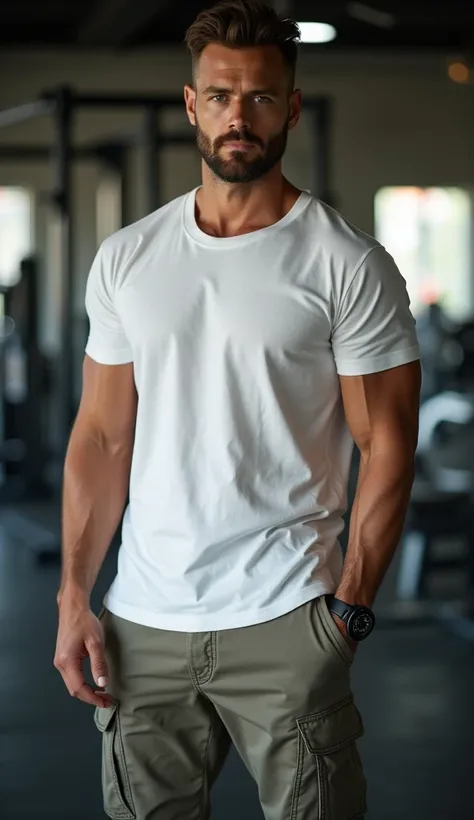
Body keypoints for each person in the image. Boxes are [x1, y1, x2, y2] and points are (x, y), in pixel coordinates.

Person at [54, 1, 421, 818]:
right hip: (142, 624)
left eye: (259, 98)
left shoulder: (347, 264)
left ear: (289, 107)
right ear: (192, 104)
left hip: (288, 616)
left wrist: (348, 613)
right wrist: (75, 597)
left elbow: (388, 444)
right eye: (219, 96)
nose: (238, 116)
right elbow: (103, 435)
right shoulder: (129, 258)